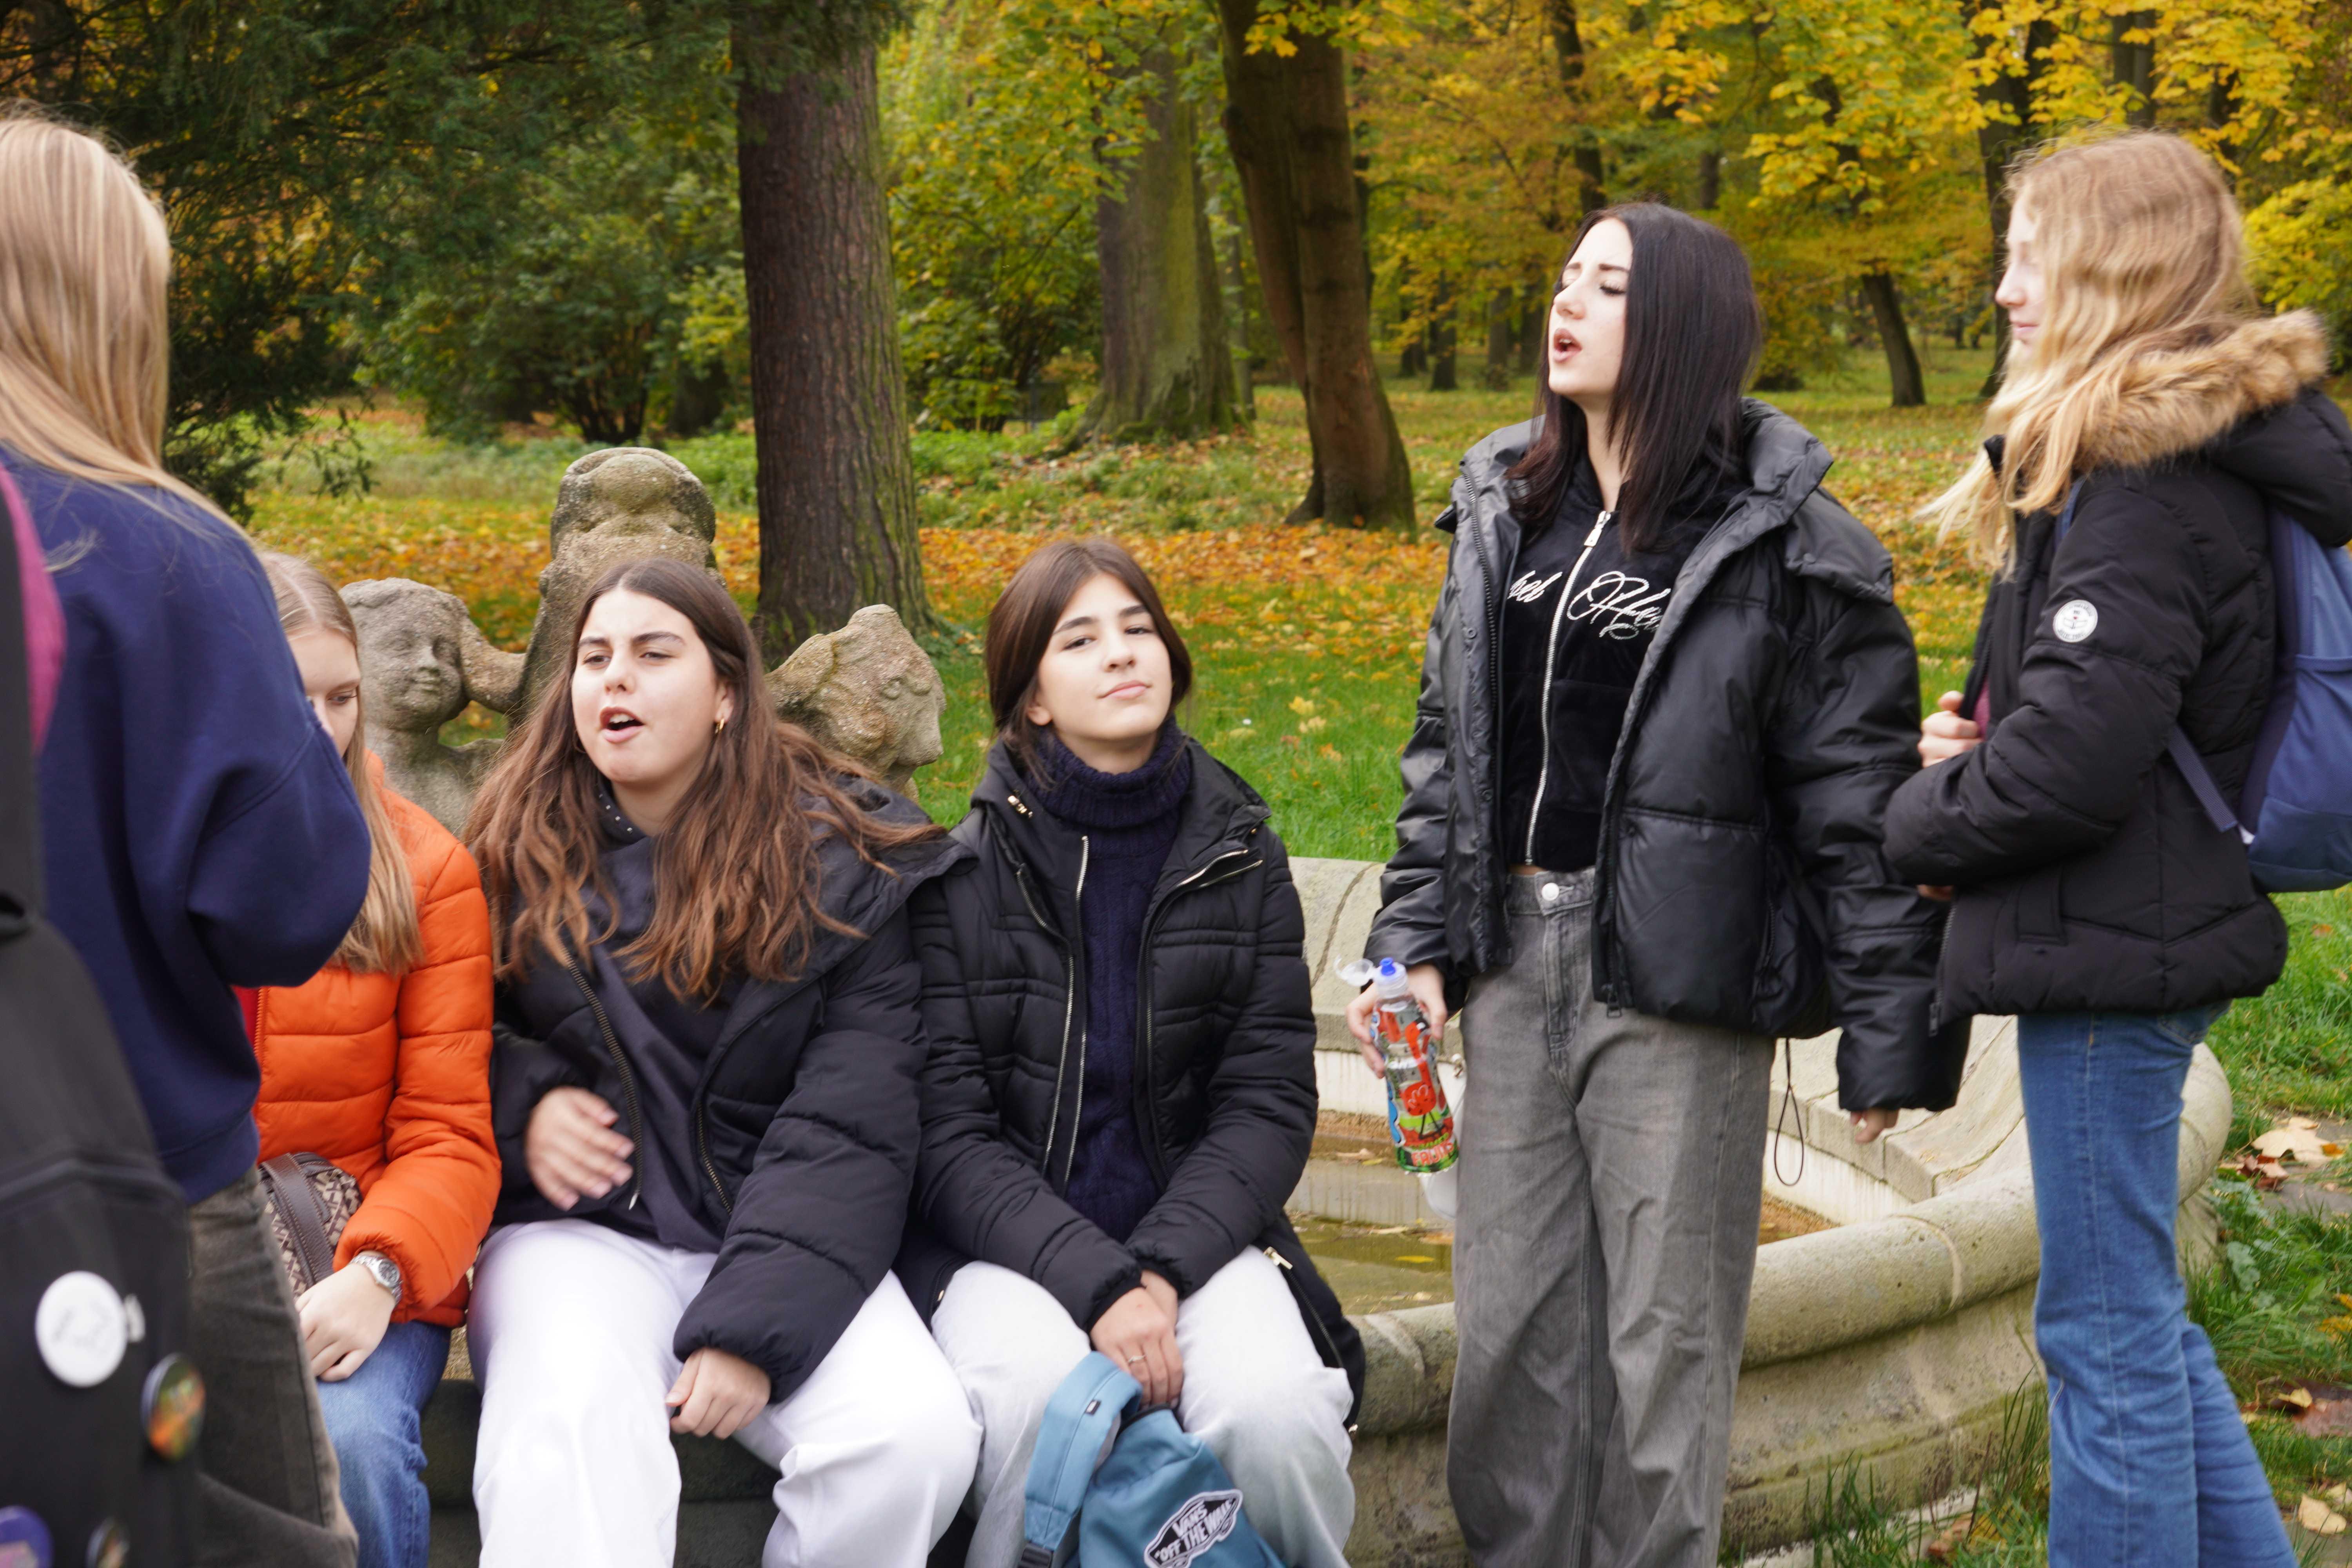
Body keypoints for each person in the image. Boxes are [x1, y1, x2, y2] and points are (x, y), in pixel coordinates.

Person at [1352, 203, 1969, 1568]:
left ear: (1683, 322)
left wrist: (1891, 1040)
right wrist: (1415, 943)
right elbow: (1449, 750)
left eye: (1609, 284)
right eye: (1565, 275)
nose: (1566, 303)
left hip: (1677, 978)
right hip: (1509, 959)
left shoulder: (1788, 542)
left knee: (1662, 1343)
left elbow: (1857, 810)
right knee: (1510, 1332)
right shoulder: (1505, 504)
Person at [1884, 131, 2351, 1568]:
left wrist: (1913, 822)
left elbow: (2073, 768)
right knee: (2134, 1321)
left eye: (2032, 256)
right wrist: (1980, 742)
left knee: (2102, 1335)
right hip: (2135, 922)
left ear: (2115, 270)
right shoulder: (2159, 461)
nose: (2006, 288)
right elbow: (2095, 718)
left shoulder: (2145, 484)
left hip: (2113, 942)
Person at [0, 106, 372, 1564]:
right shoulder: (168, 557)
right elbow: (288, 904)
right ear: (113, 313)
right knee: (264, 1541)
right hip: (147, 1179)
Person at [461, 555, 980, 1568]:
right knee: (569, 1425)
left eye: (655, 654)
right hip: (579, 1237)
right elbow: (444, 1036)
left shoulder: (844, 862)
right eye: (595, 658)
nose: (616, 677)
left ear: (727, 697)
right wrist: (525, 1103)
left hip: (775, 1224)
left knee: (911, 1441)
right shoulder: (511, 845)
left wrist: (753, 1328)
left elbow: (854, 1122)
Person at [898, 536, 1360, 1568]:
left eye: (1138, 628)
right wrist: (1099, 1286)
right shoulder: (958, 879)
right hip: (1002, 1255)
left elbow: (1267, 1102)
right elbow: (948, 1138)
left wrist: (1157, 1270)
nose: (1120, 652)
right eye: (1080, 639)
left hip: (1191, 1243)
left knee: (1276, 1414)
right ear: (1031, 699)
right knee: (1048, 1408)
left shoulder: (1242, 853)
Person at [245, 551, 499, 1568]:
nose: (322, 728)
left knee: (348, 1444)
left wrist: (379, 1273)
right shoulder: (150, 853)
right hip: (191, 1249)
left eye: (341, 698)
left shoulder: (425, 871)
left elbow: (449, 1132)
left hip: (354, 1256)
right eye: (288, 697)